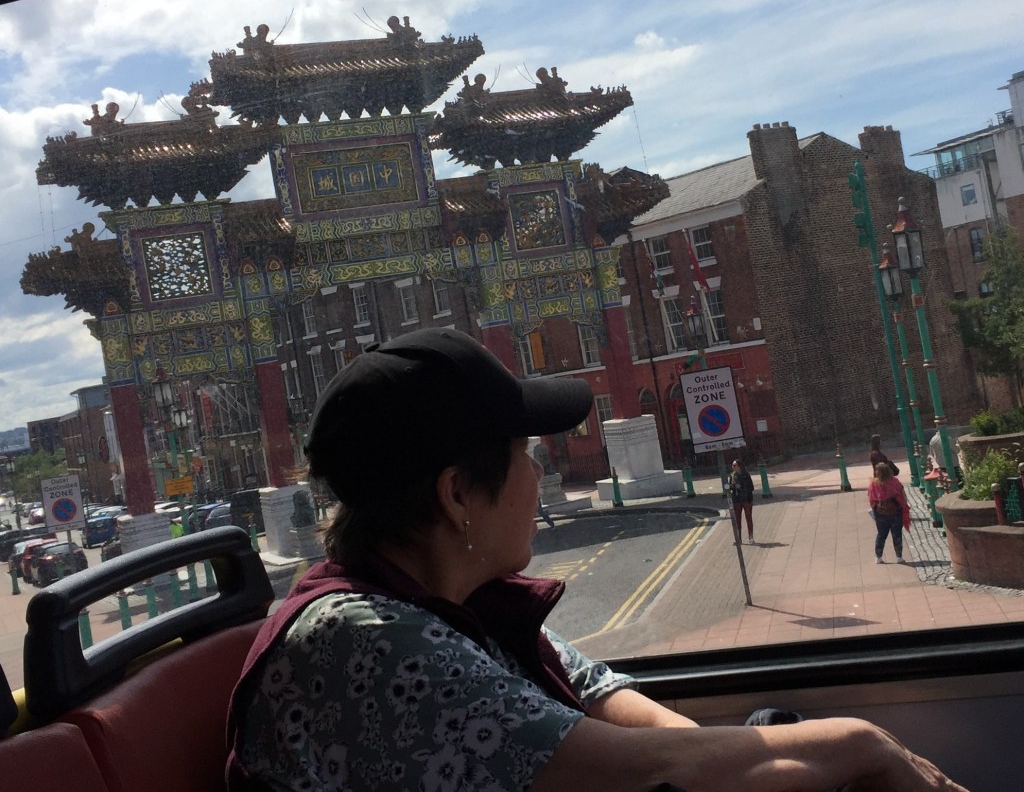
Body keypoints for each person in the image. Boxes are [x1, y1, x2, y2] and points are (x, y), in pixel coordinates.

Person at [226, 327, 968, 792]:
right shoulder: (365, 640)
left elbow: (605, 701)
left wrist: (760, 761)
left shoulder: (463, 604)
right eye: (526, 455)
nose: (539, 475)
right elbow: (633, 768)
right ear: (458, 494)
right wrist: (863, 742)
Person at [868, 460, 910, 564]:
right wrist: (904, 505)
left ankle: (878, 557)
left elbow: (871, 499)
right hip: (895, 510)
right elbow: (902, 494)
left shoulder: (873, 484)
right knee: (897, 534)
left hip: (880, 511)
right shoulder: (895, 481)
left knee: (881, 534)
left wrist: (875, 509)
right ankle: (899, 557)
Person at [730, 459, 756, 544]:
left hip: (746, 499)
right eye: (732, 465)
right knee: (737, 519)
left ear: (739, 466)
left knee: (748, 518)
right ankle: (739, 539)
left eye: (734, 465)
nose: (733, 467)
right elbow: (730, 488)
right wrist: (732, 486)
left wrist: (740, 486)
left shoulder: (746, 475)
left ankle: (750, 538)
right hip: (737, 500)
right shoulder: (732, 476)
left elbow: (751, 488)